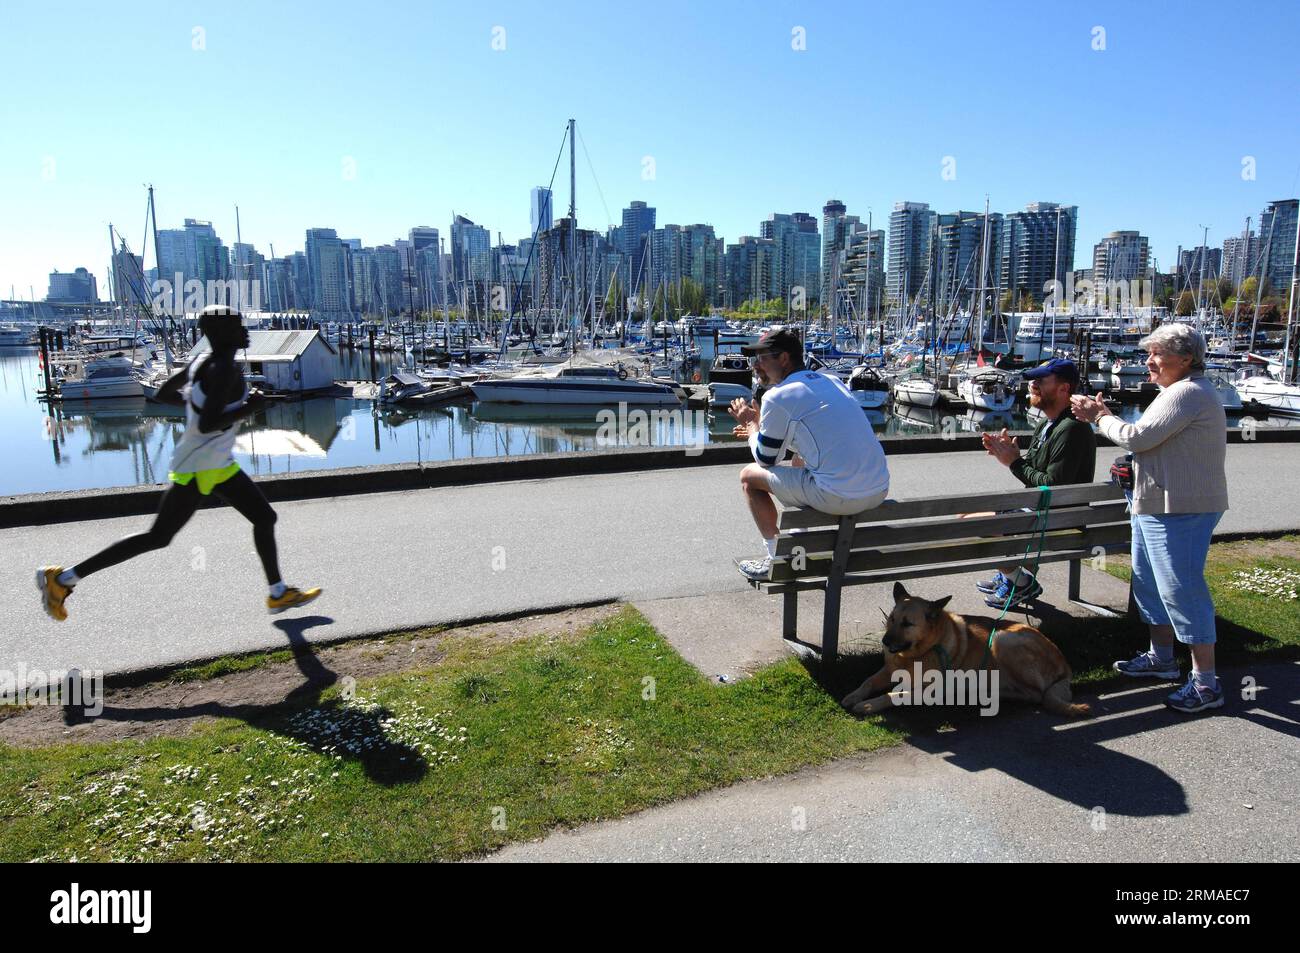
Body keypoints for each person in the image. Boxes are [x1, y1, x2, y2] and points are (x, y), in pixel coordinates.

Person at [37, 304, 322, 621]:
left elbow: (163, 392)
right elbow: (208, 424)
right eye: (237, 325)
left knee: (264, 518)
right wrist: (251, 407)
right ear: (220, 333)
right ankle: (62, 580)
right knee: (158, 537)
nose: (245, 330)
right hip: (200, 466)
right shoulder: (223, 369)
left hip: (215, 463)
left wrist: (198, 406)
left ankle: (278, 593)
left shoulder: (204, 361)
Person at [1070, 322, 1228, 714]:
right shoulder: (1175, 393)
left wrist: (1098, 416)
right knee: (1149, 585)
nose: (1148, 361)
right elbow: (1156, 445)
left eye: (1157, 353)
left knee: (1181, 589)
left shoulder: (1188, 393)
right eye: (1148, 353)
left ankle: (1206, 683)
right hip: (1156, 505)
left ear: (1186, 358)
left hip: (1181, 509)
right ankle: (1161, 659)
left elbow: (1138, 437)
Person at [728, 329, 890, 580]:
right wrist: (761, 426)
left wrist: (751, 425)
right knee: (798, 461)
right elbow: (815, 439)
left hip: (839, 495)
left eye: (761, 358)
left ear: (783, 358)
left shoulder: (777, 396)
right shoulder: (833, 382)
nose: (756, 366)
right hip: (878, 489)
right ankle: (798, 544)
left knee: (748, 477)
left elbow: (765, 459)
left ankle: (777, 560)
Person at [979, 358, 1096, 608]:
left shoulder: (1071, 429)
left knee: (972, 524)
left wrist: (1014, 463)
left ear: (1064, 388)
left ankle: (1020, 582)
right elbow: (1031, 469)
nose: (1033, 384)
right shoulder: (1047, 424)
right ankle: (1012, 576)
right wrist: (1010, 456)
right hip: (1043, 511)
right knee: (969, 516)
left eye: (1041, 380)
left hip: (1057, 519)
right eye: (1033, 379)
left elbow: (1052, 485)